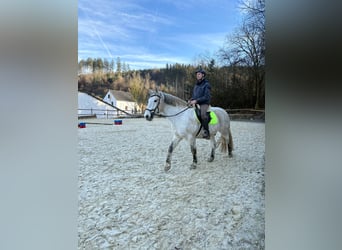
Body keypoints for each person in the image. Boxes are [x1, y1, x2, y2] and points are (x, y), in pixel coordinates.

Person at [188, 68, 211, 139]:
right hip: (196, 103)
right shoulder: (196, 85)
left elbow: (206, 97)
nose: (197, 75)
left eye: (199, 74)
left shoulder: (207, 84)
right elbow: (195, 96)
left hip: (204, 103)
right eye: (197, 74)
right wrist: (191, 100)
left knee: (203, 114)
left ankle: (206, 132)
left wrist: (196, 101)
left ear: (203, 75)